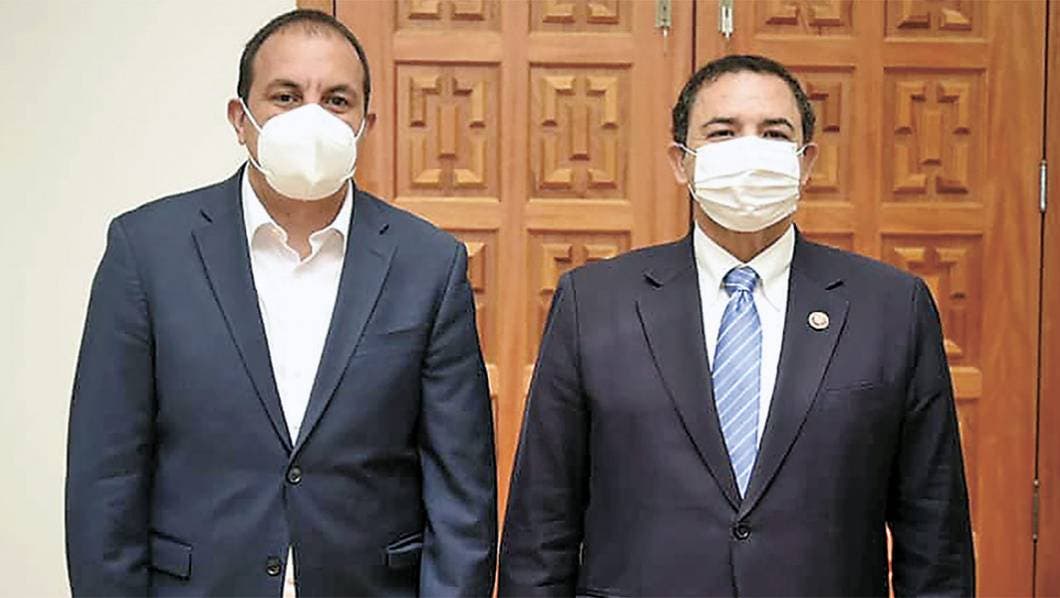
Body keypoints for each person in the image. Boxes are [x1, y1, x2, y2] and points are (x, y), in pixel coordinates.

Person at [498, 54, 974, 597]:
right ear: (681, 162)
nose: (750, 150)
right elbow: (542, 525)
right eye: (723, 132)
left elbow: (934, 534)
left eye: (774, 134)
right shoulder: (594, 303)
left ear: (806, 162)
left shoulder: (890, 307)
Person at [65, 9, 496, 597]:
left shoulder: (429, 265)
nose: (311, 118)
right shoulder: (146, 251)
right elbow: (105, 476)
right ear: (240, 119)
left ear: (365, 125)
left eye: (337, 100)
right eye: (286, 96)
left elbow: (461, 493)